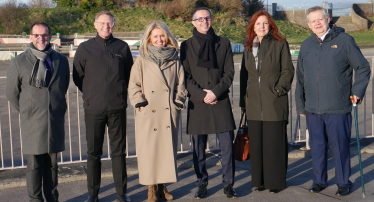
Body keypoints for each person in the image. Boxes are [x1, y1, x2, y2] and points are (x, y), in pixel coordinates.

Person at [295, 6, 371, 196]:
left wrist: (357, 92)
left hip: (338, 106)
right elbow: (301, 78)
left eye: (320, 19)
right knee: (318, 147)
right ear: (308, 24)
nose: (317, 23)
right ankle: (319, 180)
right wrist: (301, 104)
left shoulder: (345, 41)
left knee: (340, 147)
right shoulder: (306, 45)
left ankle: (344, 182)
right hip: (313, 107)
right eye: (313, 21)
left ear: (328, 19)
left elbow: (362, 68)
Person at [73, 10, 133, 202]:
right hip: (94, 109)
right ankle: (93, 194)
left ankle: (121, 193)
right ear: (95, 25)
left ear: (114, 25)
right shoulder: (85, 48)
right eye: (102, 23)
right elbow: (78, 76)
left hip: (117, 108)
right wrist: (91, 94)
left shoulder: (122, 47)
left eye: (110, 23)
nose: (106, 27)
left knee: (119, 153)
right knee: (93, 154)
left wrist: (119, 95)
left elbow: (128, 75)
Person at [6, 21, 70, 202]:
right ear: (30, 37)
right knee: (34, 165)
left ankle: (52, 197)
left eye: (44, 35)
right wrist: (28, 110)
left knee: (52, 164)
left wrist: (54, 107)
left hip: (53, 120)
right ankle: (35, 199)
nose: (40, 38)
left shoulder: (61, 60)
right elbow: (12, 93)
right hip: (32, 121)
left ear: (50, 37)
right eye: (36, 35)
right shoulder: (19, 62)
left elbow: (62, 87)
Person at [180, 7, 237, 199]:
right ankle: (201, 183)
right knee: (198, 149)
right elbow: (185, 76)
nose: (205, 21)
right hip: (198, 102)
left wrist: (215, 92)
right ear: (193, 22)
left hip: (220, 100)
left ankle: (228, 184)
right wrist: (201, 94)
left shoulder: (224, 43)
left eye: (208, 18)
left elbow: (229, 73)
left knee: (227, 146)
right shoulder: (186, 46)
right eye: (200, 19)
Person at [128, 21, 186, 202]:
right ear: (149, 39)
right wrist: (140, 103)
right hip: (148, 112)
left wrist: (178, 101)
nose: (159, 39)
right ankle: (151, 188)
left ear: (167, 37)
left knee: (165, 151)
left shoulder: (175, 59)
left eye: (162, 36)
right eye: (156, 36)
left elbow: (181, 85)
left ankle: (163, 186)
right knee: (150, 152)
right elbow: (134, 85)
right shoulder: (141, 59)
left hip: (168, 113)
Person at [239, 11, 294, 193]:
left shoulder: (279, 44)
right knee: (257, 146)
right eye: (258, 24)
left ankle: (275, 182)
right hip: (253, 104)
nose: (262, 27)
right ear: (252, 27)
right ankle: (260, 181)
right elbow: (244, 75)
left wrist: (278, 90)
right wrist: (243, 101)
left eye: (265, 23)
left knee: (274, 145)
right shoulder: (248, 47)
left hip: (274, 103)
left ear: (271, 26)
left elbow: (288, 70)